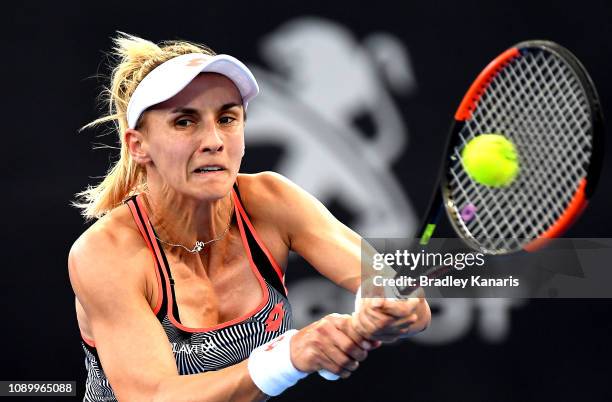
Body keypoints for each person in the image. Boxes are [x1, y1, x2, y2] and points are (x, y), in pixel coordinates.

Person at [68, 33, 431, 402]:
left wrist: (387, 307)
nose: (213, 140)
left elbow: (404, 298)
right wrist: (290, 357)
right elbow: (153, 397)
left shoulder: (272, 200)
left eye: (227, 118)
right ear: (138, 145)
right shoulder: (105, 253)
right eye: (184, 122)